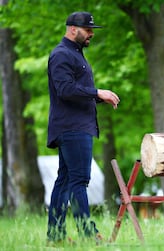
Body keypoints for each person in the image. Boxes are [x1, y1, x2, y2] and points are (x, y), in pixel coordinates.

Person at [46, 11, 120, 245]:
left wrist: (99, 97)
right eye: (87, 30)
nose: (91, 34)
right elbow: (65, 90)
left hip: (76, 126)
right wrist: (97, 92)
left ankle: (55, 236)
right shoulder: (61, 55)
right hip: (72, 127)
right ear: (72, 29)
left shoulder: (75, 54)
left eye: (92, 30)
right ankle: (89, 234)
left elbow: (75, 90)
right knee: (80, 181)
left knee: (65, 181)